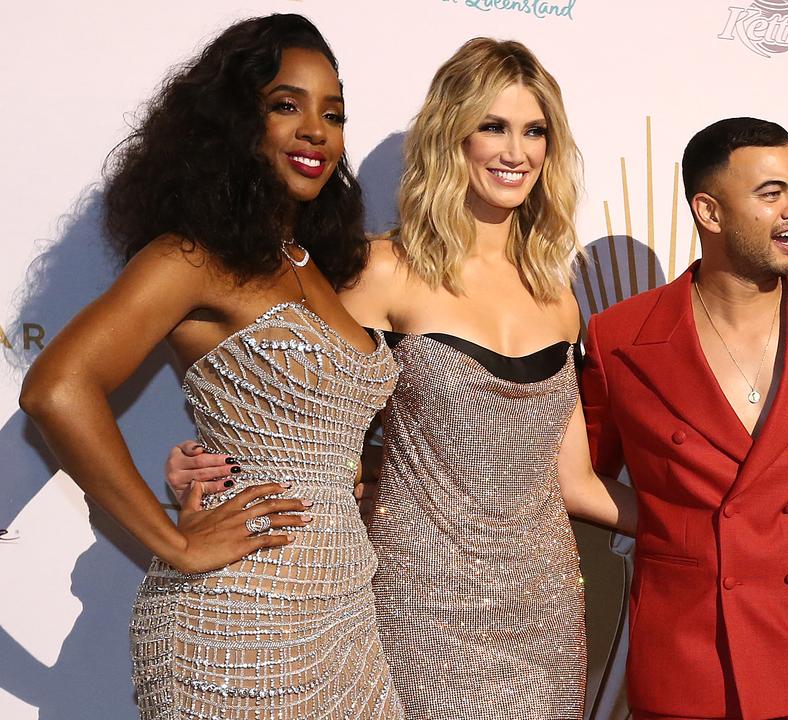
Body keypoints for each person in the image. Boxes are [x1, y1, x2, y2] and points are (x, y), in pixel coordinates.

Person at [165, 37, 635, 719]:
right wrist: (215, 469)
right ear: (454, 137)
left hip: (546, 619)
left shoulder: (557, 297)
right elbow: (300, 412)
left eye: (535, 131)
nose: (517, 151)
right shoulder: (382, 270)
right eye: (493, 127)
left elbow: (575, 483)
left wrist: (708, 523)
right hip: (418, 609)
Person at [19, 14, 405, 719]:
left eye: (334, 112)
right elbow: (56, 388)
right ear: (235, 123)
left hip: (346, 620)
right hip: (236, 626)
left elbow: (315, 428)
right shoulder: (190, 257)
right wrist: (171, 541)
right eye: (287, 105)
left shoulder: (310, 262)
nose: (317, 129)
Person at [580, 117, 788, 720]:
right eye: (771, 194)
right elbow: (578, 477)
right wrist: (675, 525)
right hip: (686, 661)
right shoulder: (620, 338)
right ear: (709, 212)